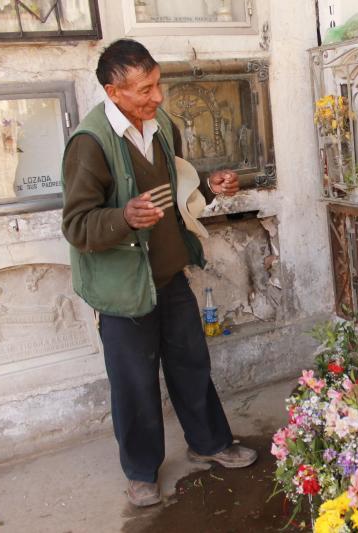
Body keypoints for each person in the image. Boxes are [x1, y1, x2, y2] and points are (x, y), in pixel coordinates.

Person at [61, 39, 256, 508]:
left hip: (170, 276)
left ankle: (209, 442)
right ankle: (141, 471)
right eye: (145, 89)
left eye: (157, 83)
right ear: (113, 92)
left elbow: (177, 199)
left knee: (192, 366)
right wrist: (122, 218)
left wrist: (210, 188)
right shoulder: (89, 144)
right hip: (123, 290)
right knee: (134, 384)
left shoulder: (161, 126)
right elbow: (75, 225)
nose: (157, 96)